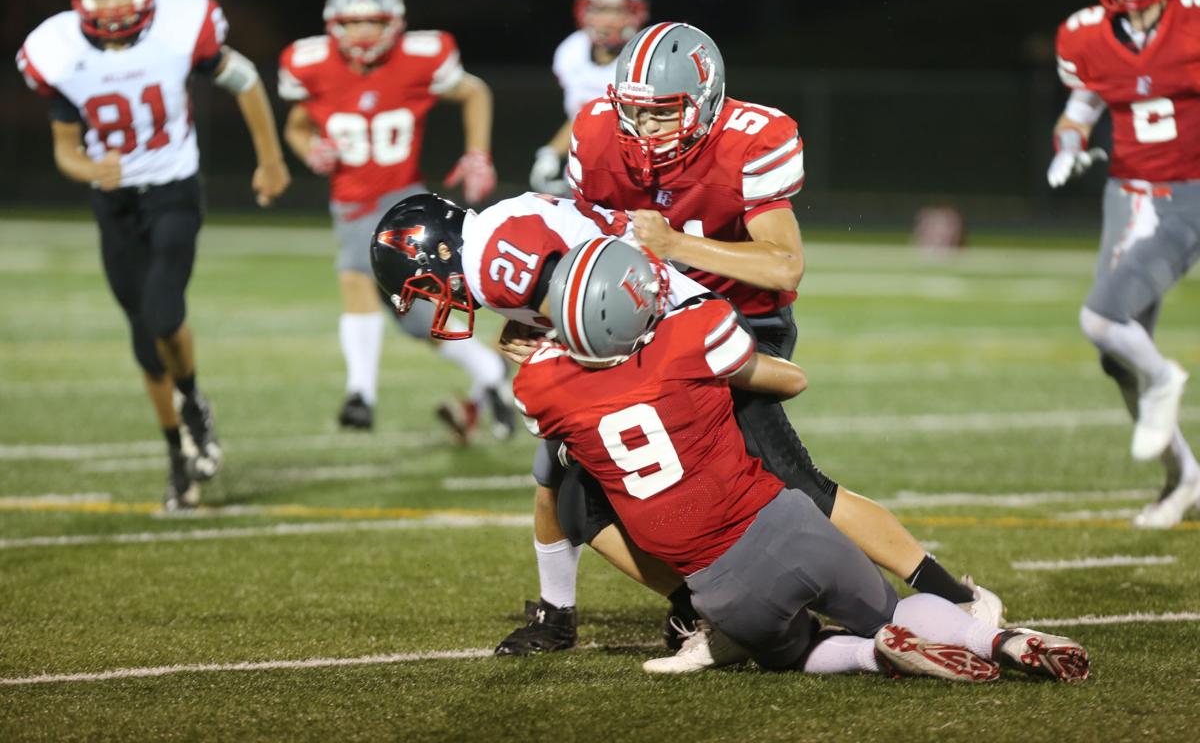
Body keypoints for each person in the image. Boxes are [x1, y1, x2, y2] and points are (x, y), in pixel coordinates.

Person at [370, 192, 1003, 664]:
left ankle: (949, 597)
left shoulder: (490, 267)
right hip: (659, 327)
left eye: (425, 283)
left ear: (439, 249)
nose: (436, 299)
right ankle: (608, 612)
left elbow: (586, 316)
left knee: (798, 486)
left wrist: (544, 352)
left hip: (661, 337)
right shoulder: (507, 217)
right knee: (565, 487)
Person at [561, 21, 988, 640]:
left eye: (662, 115)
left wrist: (673, 242)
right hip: (643, 326)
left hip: (737, 321)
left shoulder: (753, 139)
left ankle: (954, 595)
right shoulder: (598, 132)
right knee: (583, 490)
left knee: (788, 477)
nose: (644, 131)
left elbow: (785, 264)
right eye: (635, 113)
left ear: (705, 103)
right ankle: (703, 610)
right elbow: (583, 239)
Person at [514, 239, 1090, 681]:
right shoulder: (692, 336)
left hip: (721, 584)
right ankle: (996, 640)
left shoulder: (542, 388)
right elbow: (765, 374)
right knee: (890, 608)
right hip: (789, 521)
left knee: (797, 650)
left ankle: (871, 656)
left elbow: (562, 383)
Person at [15, 0, 290, 510]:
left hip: (173, 191)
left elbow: (245, 81)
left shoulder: (179, 27)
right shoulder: (58, 51)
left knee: (165, 313)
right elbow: (66, 150)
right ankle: (177, 456)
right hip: (113, 206)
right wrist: (93, 169)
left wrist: (270, 159)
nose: (114, 3)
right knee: (144, 339)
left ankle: (193, 401)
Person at [278, 0, 512, 441]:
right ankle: (490, 373)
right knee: (417, 321)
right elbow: (297, 125)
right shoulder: (313, 66)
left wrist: (477, 153)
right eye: (353, 22)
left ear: (395, 23)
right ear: (334, 24)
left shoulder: (416, 61)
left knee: (354, 275)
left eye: (373, 21)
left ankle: (360, 394)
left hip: (401, 199)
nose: (363, 32)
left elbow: (474, 91)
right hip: (346, 201)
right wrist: (308, 151)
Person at [1050, 0, 1199, 528]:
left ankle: (1167, 379)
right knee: (1118, 357)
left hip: (1188, 194)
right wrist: (1068, 142)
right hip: (1127, 195)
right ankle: (1183, 476)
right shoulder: (1084, 34)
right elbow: (1086, 99)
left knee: (1102, 319)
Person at [529, 0, 649, 196]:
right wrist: (552, 152)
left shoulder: (643, 58)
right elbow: (584, 115)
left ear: (635, 13)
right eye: (600, 10)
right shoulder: (571, 51)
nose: (608, 20)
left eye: (618, 11)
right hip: (588, 164)